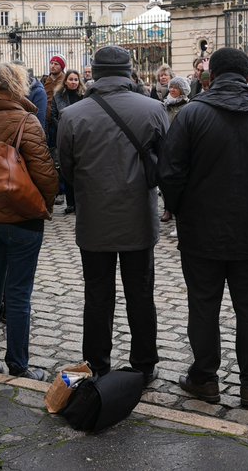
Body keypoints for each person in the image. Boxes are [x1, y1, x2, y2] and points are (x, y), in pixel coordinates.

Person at [159, 48, 248, 407]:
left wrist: (179, 209)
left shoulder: (191, 114)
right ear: (246, 74)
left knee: (204, 304)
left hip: (201, 228)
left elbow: (170, 172)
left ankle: (204, 377)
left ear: (211, 75)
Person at [57, 45, 168, 386]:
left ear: (95, 71)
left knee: (97, 294)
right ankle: (144, 364)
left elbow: (67, 169)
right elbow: (167, 164)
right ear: (128, 70)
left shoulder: (73, 116)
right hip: (138, 216)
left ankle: (97, 362)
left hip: (95, 217)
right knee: (141, 293)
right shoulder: (154, 109)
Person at [0, 63, 58, 380]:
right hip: (22, 219)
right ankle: (19, 363)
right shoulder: (26, 120)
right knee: (18, 295)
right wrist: (43, 204)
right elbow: (45, 174)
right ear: (17, 86)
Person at [51, 69, 86, 215]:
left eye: (76, 80)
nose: (73, 82)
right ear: (65, 81)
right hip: (64, 136)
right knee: (67, 169)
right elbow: (53, 115)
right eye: (71, 79)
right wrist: (63, 127)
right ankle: (70, 203)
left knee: (80, 170)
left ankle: (80, 203)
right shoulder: (58, 96)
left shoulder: (84, 96)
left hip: (81, 136)